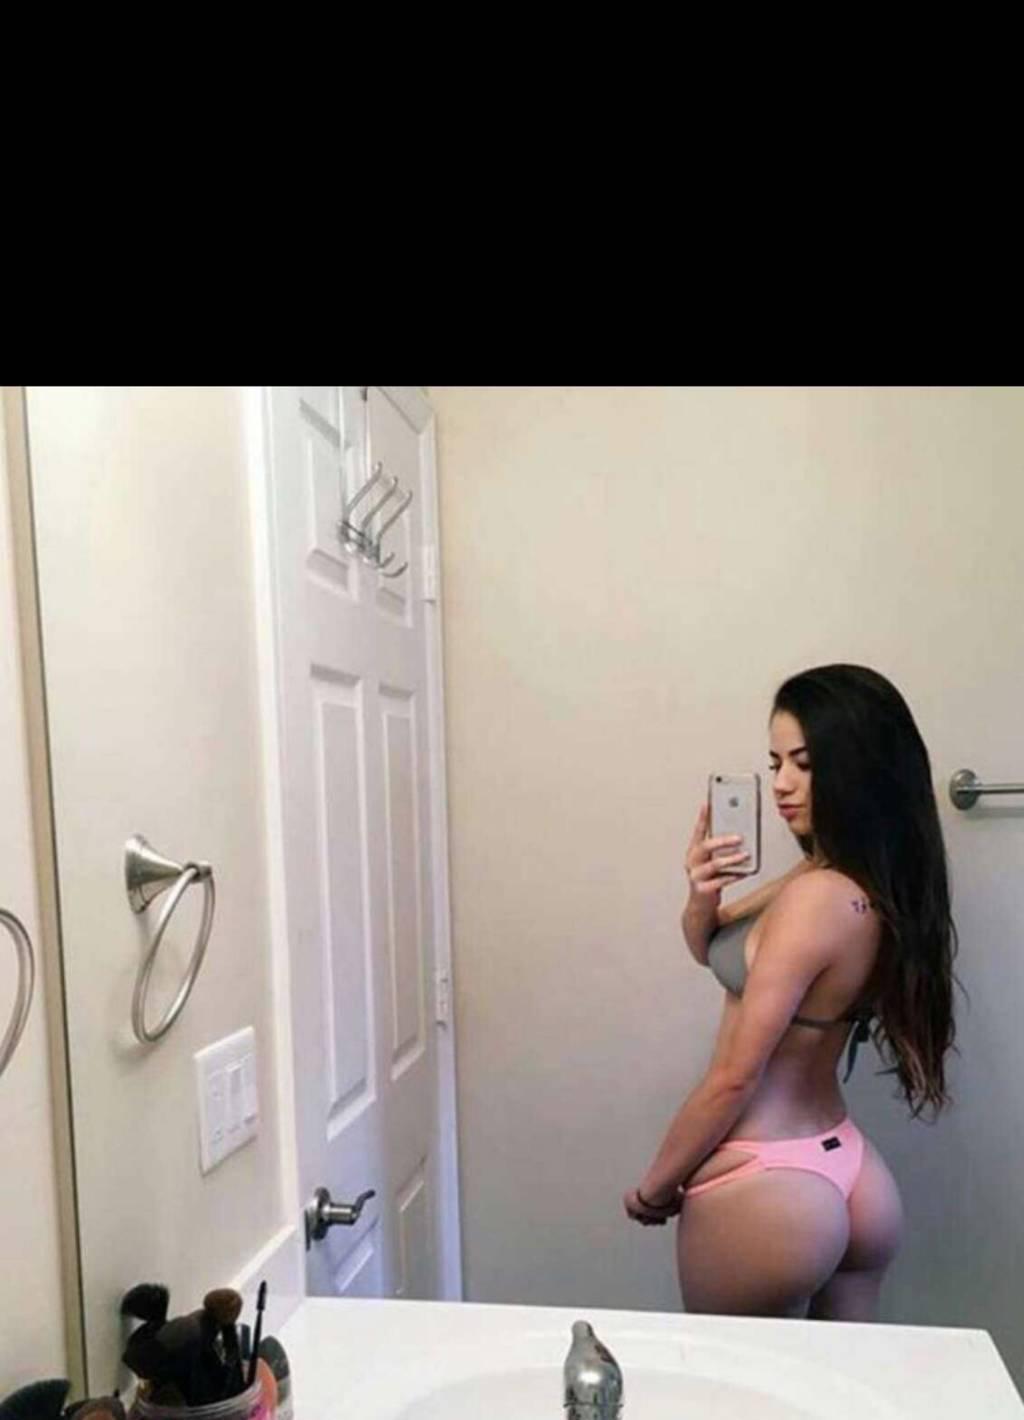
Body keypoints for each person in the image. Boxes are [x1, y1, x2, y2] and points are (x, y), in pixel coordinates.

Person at [623, 664, 961, 1321]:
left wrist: (655, 1187)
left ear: (858, 767)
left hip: (770, 1180)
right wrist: (701, 897)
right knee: (841, 1377)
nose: (781, 784)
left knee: (732, 1378)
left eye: (805, 764)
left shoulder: (815, 899)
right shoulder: (849, 879)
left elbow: (733, 1078)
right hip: (851, 1172)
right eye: (775, 763)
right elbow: (712, 947)